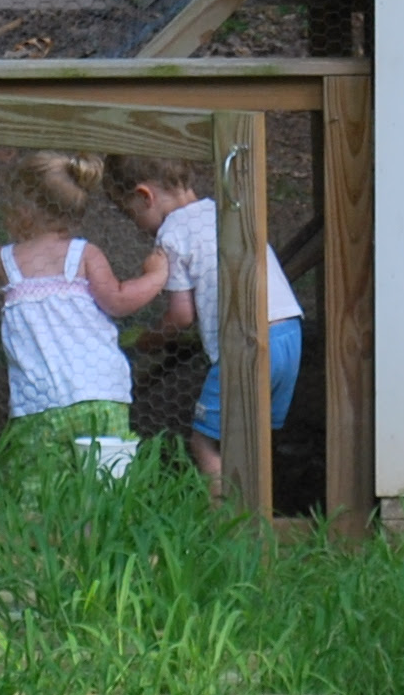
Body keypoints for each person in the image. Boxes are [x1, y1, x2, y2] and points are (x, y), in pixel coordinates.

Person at [0, 150, 167, 463]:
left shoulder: (6, 259)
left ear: (25, 206)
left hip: (42, 402)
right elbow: (118, 300)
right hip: (100, 393)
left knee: (40, 481)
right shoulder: (85, 254)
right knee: (107, 476)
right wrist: (156, 276)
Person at [110, 152, 302, 493]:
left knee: (205, 443)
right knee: (254, 437)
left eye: (130, 213)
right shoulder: (226, 212)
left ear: (144, 196)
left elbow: (181, 316)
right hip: (289, 333)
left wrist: (152, 338)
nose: (136, 225)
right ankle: (259, 507)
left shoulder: (172, 234)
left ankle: (223, 518)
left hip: (247, 342)